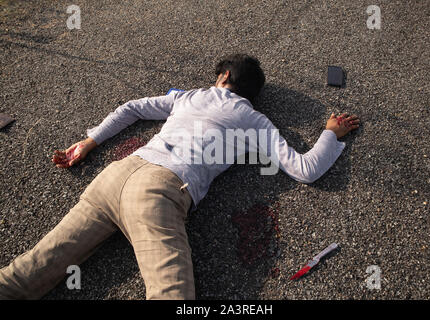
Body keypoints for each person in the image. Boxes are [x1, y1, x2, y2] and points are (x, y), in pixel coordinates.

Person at [0, 54, 359, 300]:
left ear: (222, 77)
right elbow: (306, 169)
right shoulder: (254, 120)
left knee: (31, 269)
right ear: (251, 94)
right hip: (159, 192)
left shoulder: (189, 96)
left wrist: (90, 141)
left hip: (113, 177)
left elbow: (133, 109)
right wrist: (330, 133)